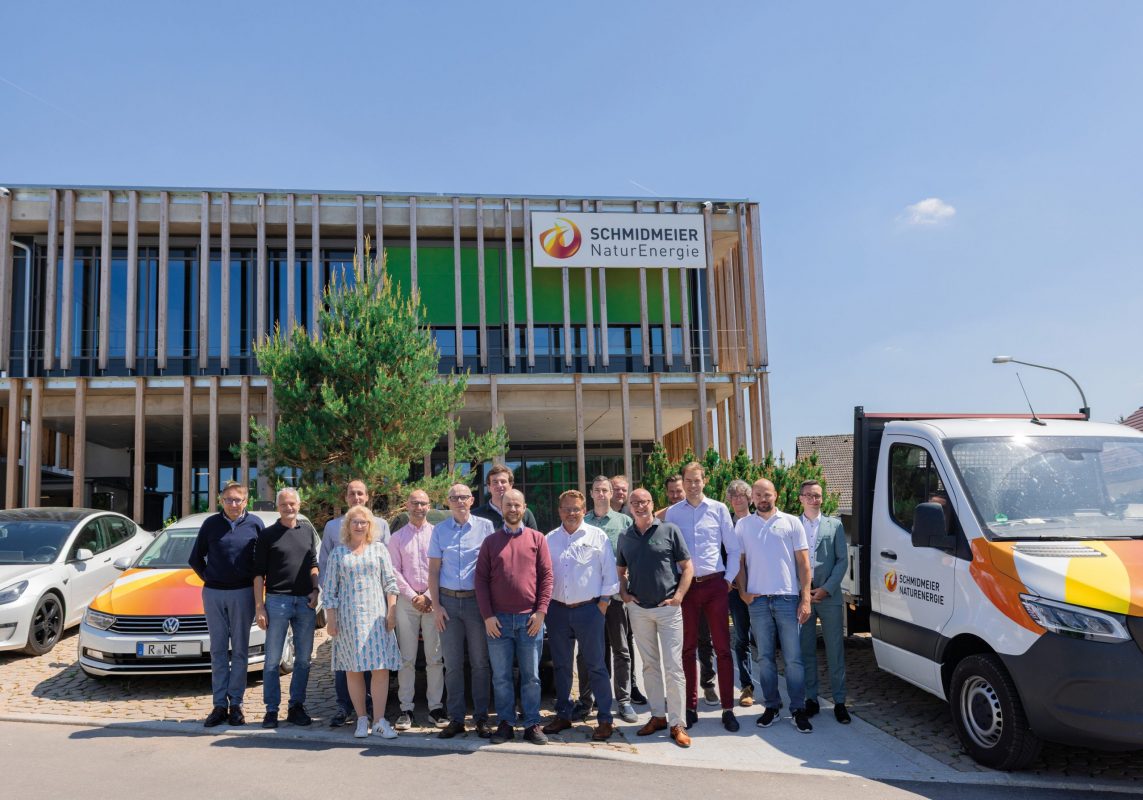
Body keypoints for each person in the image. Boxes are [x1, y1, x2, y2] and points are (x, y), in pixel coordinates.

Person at [665, 462, 742, 732]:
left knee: (722, 647)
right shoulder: (673, 514)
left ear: (704, 481)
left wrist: (728, 580)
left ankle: (728, 709)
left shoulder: (719, 509)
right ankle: (690, 707)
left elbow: (733, 549)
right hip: (686, 589)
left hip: (715, 586)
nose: (693, 485)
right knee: (686, 649)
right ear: (682, 483)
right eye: (688, 480)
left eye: (697, 480)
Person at [736, 478, 814, 733]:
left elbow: (803, 565)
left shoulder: (792, 523)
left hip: (787, 599)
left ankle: (798, 709)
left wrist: (805, 598)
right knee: (765, 659)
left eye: (766, 494)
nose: (762, 498)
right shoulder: (743, 526)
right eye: (757, 494)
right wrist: (745, 593)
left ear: (776, 495)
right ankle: (772, 706)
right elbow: (740, 562)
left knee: (793, 659)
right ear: (752, 498)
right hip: (757, 601)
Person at [475, 488, 552, 745]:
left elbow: (547, 577)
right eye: (508, 504)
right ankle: (506, 723)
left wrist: (541, 612)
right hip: (498, 622)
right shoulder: (490, 542)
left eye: (517, 505)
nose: (513, 509)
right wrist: (487, 616)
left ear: (524, 507)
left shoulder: (537, 539)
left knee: (531, 676)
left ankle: (531, 724)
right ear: (502, 506)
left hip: (530, 620)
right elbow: (481, 582)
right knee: (501, 676)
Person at [617, 488, 693, 748]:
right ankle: (658, 716)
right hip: (640, 611)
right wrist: (625, 593)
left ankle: (677, 723)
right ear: (629, 506)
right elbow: (620, 570)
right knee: (649, 666)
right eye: (634, 502)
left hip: (668, 609)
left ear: (652, 504)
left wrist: (679, 597)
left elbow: (687, 567)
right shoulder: (625, 537)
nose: (640, 506)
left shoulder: (669, 530)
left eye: (644, 501)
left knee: (674, 667)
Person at [543, 490, 620, 742]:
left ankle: (605, 719)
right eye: (566, 508)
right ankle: (563, 714)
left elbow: (610, 573)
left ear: (583, 509)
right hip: (557, 611)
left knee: (596, 665)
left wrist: (604, 604)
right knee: (562, 666)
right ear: (559, 511)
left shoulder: (597, 536)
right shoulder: (549, 539)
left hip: (590, 610)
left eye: (576, 508)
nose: (571, 513)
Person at [189, 481, 264, 727]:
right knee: (218, 650)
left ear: (246, 501)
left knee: (241, 650)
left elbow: (262, 563)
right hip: (214, 594)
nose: (233, 504)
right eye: (228, 500)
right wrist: (210, 578)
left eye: (237, 500)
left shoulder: (255, 525)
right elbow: (195, 558)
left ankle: (237, 705)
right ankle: (219, 705)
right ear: (221, 501)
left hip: (243, 594)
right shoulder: (211, 525)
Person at [323, 505, 401, 739]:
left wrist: (392, 612)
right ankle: (361, 719)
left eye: (363, 522)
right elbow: (329, 590)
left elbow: (389, 582)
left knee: (380, 668)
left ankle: (379, 720)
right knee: (353, 669)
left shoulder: (379, 550)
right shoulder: (338, 553)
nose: (359, 525)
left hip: (377, 617)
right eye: (354, 522)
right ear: (347, 525)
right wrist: (331, 619)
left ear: (370, 526)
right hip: (348, 620)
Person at [428, 483, 495, 739]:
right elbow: (433, 571)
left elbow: (491, 569)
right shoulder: (439, 530)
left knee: (480, 663)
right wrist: (436, 607)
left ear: (472, 499)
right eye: (454, 497)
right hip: (447, 604)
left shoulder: (485, 527)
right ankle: (456, 719)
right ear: (448, 502)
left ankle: (480, 719)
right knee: (453, 665)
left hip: (476, 603)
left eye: (464, 497)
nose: (459, 501)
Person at [253, 487, 319, 729]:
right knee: (272, 660)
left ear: (299, 505)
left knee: (303, 660)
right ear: (278, 507)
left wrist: (315, 589)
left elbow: (313, 563)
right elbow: (258, 573)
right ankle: (271, 710)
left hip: (305, 602)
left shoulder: (307, 531)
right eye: (284, 504)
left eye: (292, 503)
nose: (288, 507)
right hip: (277, 601)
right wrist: (259, 607)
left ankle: (296, 707)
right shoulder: (267, 535)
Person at [577, 475, 636, 723]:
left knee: (621, 649)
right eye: (597, 490)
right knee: (588, 652)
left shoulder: (624, 521)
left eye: (605, 490)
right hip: (588, 599)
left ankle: (623, 700)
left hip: (615, 597)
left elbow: (633, 556)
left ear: (612, 494)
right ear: (591, 494)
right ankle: (586, 700)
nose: (601, 494)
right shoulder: (582, 521)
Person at [387, 489, 447, 730]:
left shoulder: (438, 535)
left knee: (434, 657)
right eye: (414, 503)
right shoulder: (397, 538)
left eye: (423, 503)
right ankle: (406, 709)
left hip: (434, 600)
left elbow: (443, 568)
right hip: (407, 602)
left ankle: (436, 708)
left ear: (429, 506)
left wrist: (429, 596)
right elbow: (394, 571)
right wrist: (414, 597)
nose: (419, 507)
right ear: (407, 506)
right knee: (407, 658)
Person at [657, 473, 718, 710]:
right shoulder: (668, 516)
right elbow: (649, 517)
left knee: (704, 638)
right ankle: (681, 689)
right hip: (673, 587)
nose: (674, 495)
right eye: (670, 491)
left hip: (699, 585)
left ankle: (708, 683)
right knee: (678, 642)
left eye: (678, 491)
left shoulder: (701, 511)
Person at [797, 480, 850, 724]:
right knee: (806, 650)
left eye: (817, 495)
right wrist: (804, 592)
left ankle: (840, 702)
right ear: (801, 499)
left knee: (835, 650)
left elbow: (842, 561)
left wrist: (827, 589)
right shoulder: (792, 525)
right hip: (803, 598)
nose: (813, 499)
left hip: (829, 598)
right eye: (808, 495)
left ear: (822, 498)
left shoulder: (835, 525)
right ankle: (811, 699)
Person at [725, 479, 756, 708]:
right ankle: (747, 686)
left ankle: (770, 684)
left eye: (741, 495)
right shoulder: (725, 524)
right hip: (735, 591)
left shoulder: (758, 522)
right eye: (734, 496)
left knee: (764, 639)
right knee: (741, 638)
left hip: (761, 590)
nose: (738, 499)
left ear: (749, 498)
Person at [473, 464, 538, 530]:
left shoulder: (524, 513)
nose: (499, 485)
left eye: (503, 481)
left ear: (511, 485)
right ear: (489, 487)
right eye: (495, 482)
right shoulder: (475, 515)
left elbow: (533, 538)